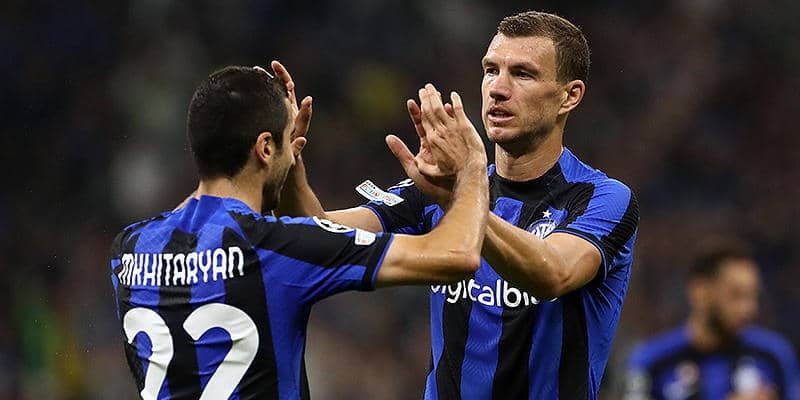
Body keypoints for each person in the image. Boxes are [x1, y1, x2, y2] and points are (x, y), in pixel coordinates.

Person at [277, 10, 639, 400]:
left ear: (570, 96)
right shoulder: (440, 189)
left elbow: (551, 274)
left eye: (522, 74)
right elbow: (317, 235)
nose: (498, 89)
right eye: (491, 70)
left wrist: (460, 198)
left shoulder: (603, 198)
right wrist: (286, 163)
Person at [109, 63, 490, 399]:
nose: (293, 152)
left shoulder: (129, 249)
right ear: (265, 148)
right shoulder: (275, 247)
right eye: (286, 143)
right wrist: (471, 167)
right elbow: (457, 256)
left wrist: (286, 154)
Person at [624, 242, 800, 400]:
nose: (748, 309)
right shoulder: (652, 362)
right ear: (700, 292)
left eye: (753, 296)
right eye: (736, 295)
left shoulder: (774, 355)